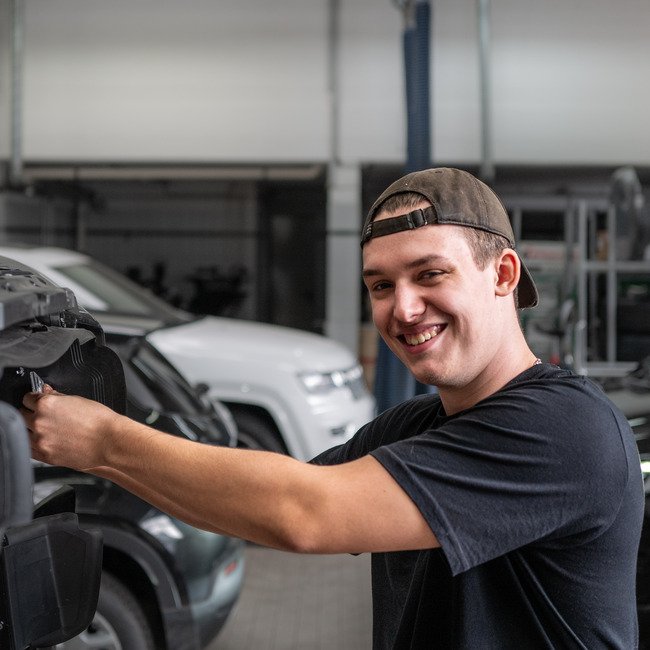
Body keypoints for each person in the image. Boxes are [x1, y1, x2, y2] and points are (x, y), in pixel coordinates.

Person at [22, 167, 643, 649]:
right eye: (381, 285)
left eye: (429, 274)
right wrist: (94, 437)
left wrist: (104, 442)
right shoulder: (418, 426)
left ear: (504, 274)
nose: (402, 309)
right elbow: (255, 507)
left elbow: (304, 513)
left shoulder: (565, 428)